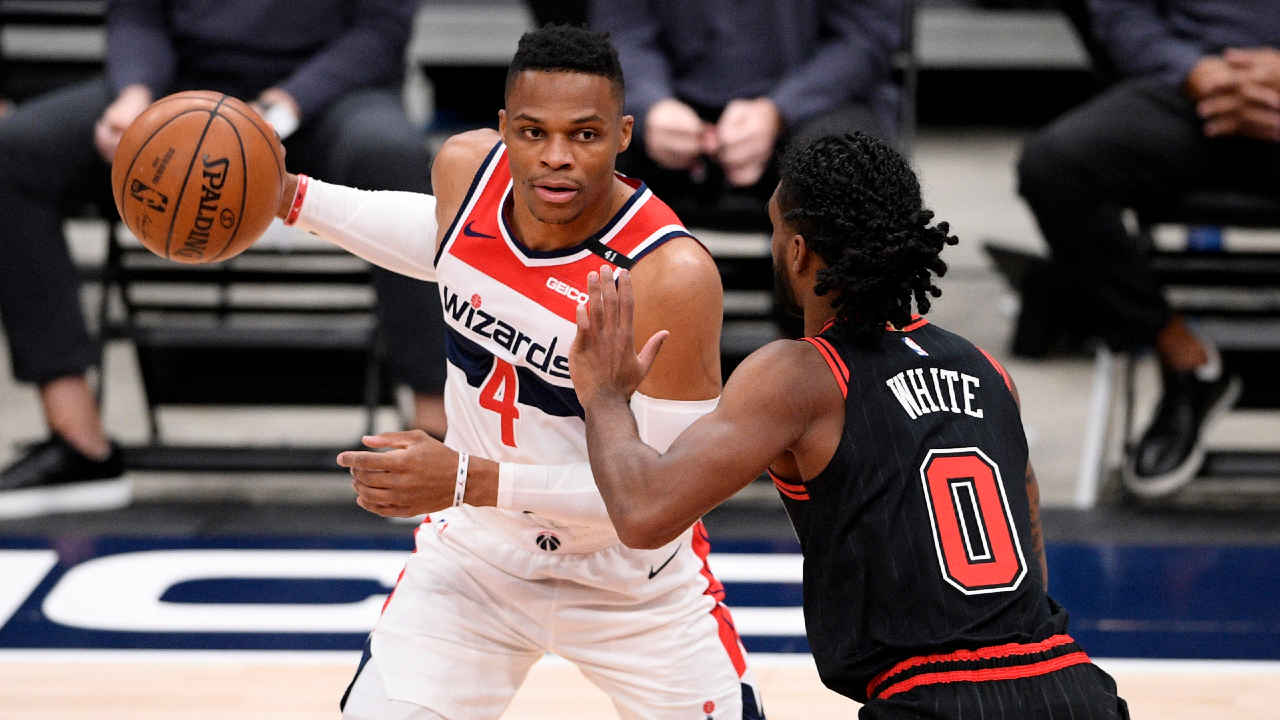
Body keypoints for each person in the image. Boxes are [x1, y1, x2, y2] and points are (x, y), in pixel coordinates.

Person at [275, 25, 763, 720]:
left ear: (623, 136)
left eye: (584, 135)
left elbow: (661, 499)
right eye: (533, 133)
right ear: (504, 128)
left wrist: (465, 480)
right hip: (477, 560)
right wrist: (289, 196)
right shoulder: (466, 174)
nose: (556, 157)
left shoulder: (670, 276)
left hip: (632, 583)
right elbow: (439, 240)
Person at [568, 133, 1129, 719]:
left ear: (798, 251)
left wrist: (604, 396)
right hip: (1072, 689)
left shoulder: (800, 375)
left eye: (775, 229)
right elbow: (1028, 523)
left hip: (932, 700)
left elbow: (642, 512)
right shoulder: (988, 369)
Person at [0, 0, 448, 518]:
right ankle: (79, 444)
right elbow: (138, 13)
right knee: (14, 154)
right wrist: (135, 93)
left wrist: (284, 105)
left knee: (392, 155)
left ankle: (433, 443)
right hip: (182, 92)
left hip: (332, 98)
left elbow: (381, 29)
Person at [1017, 0, 1280, 498]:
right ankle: (1183, 358)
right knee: (1053, 168)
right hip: (1187, 87)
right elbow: (1121, 11)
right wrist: (1194, 71)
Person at [590, 0, 903, 229]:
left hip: (814, 98)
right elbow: (621, 31)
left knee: (846, 167)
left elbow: (867, 35)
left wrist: (780, 110)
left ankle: (821, 303)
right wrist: (650, 104)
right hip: (667, 99)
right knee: (584, 151)